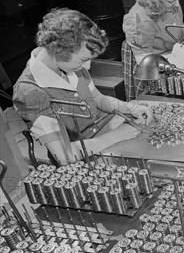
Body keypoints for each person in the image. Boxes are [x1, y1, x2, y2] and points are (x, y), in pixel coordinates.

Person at [13, 8, 153, 165]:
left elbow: (98, 99)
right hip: (83, 158)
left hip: (106, 133)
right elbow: (64, 156)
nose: (87, 67)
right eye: (82, 60)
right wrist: (117, 135)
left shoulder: (68, 66)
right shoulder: (30, 93)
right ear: (58, 51)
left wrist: (128, 108)